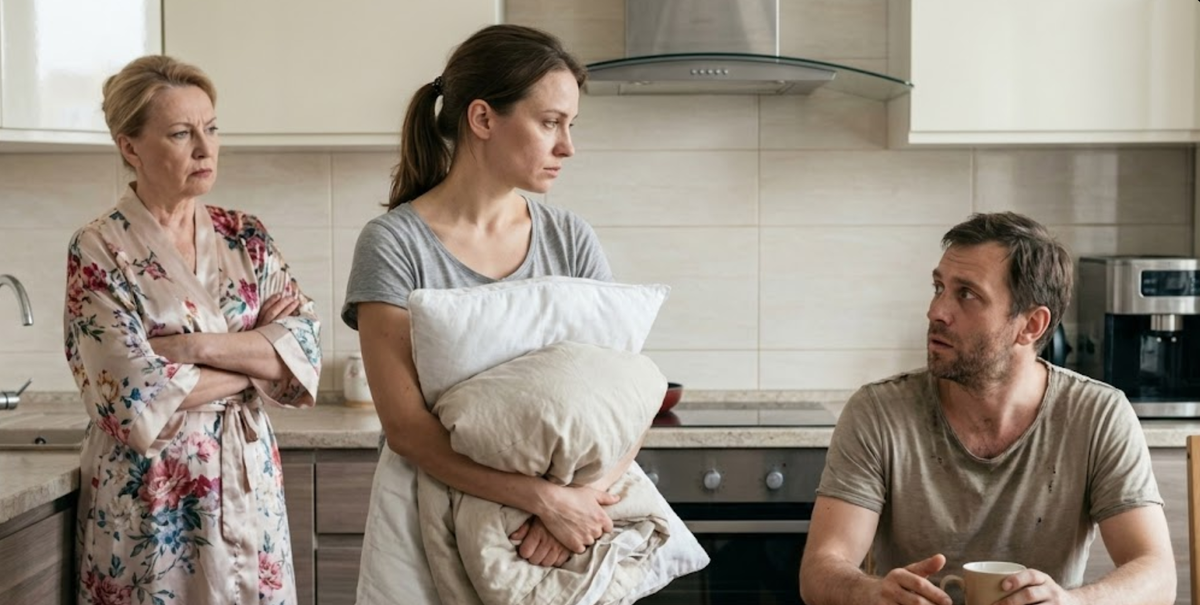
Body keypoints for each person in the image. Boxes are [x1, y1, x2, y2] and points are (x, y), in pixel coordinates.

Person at [341, 23, 638, 605]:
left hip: (560, 535)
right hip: (427, 526)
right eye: (550, 122)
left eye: (571, 125)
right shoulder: (394, 244)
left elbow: (625, 401)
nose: (567, 146)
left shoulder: (570, 239)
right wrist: (543, 500)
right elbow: (406, 428)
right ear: (482, 118)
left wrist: (580, 502)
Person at [799, 212, 1175, 605]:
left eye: (966, 294)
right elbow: (820, 569)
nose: (936, 311)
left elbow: (1158, 576)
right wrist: (870, 592)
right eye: (939, 287)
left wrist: (1073, 602)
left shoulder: (1098, 416)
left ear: (1031, 325)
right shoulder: (878, 412)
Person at [64, 55, 322, 605]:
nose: (206, 148)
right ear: (130, 147)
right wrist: (256, 361)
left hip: (248, 482)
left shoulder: (245, 236)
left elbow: (304, 349)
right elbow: (131, 395)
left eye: (212, 128)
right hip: (152, 496)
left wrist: (190, 348)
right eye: (182, 133)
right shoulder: (100, 248)